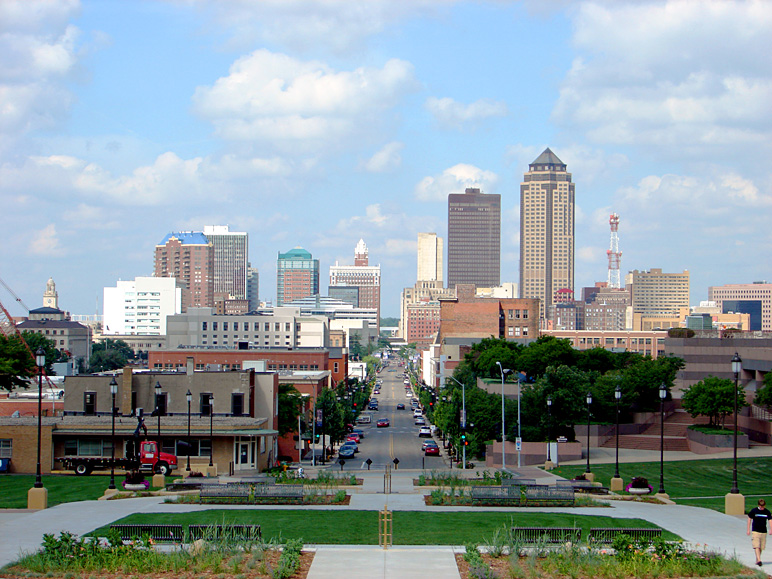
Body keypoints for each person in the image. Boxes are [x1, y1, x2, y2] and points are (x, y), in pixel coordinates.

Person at [747, 498, 772, 566]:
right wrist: (748, 529)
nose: (762, 507)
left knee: (761, 547)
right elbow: (749, 519)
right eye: (761, 506)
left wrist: (771, 529)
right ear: (758, 505)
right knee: (756, 546)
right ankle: (759, 560)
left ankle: (757, 559)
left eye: (763, 506)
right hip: (755, 531)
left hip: (763, 531)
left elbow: (770, 520)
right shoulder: (754, 511)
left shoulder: (767, 512)